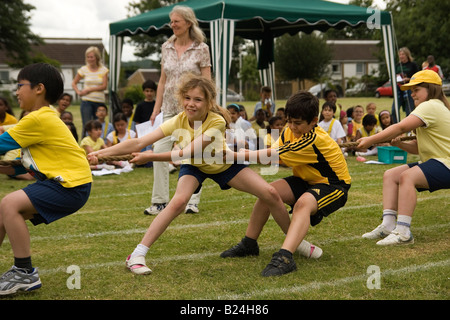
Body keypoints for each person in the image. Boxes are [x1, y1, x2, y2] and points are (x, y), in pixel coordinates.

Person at [87, 74, 289, 276]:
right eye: (187, 98)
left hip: (222, 164)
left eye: (198, 99)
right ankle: (137, 255)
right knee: (178, 202)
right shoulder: (178, 120)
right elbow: (139, 142)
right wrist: (101, 153)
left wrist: (152, 156)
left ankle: (295, 243)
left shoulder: (217, 121)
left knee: (270, 192)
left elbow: (188, 151)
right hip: (194, 167)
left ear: (209, 102)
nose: (191, 104)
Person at [221, 91, 351, 277]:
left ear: (314, 120)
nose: (291, 126)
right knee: (267, 193)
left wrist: (235, 155)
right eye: (289, 121)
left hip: (333, 185)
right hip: (306, 179)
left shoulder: (313, 139)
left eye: (297, 123)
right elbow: (273, 152)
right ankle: (249, 244)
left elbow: (270, 156)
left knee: (303, 204)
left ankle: (285, 257)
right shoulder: (289, 131)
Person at [0, 63, 92, 295]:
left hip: (69, 186)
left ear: (38, 88)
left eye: (20, 85)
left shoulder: (37, 119)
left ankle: (24, 272)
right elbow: (28, 164)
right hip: (69, 185)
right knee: (4, 212)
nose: (17, 91)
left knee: (9, 204)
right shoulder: (44, 117)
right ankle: (22, 272)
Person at [358, 69, 450, 245]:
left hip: (446, 164)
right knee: (390, 175)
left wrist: (371, 139)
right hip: (438, 162)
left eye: (416, 89)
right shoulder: (432, 107)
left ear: (431, 89)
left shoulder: (430, 106)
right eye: (411, 90)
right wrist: (400, 144)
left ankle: (403, 231)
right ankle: (388, 225)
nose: (412, 94)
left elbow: (400, 127)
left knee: (407, 176)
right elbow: (418, 148)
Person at [146, 5, 211, 215]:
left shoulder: (201, 48)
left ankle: (192, 201)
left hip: (194, 108)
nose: (172, 24)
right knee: (158, 150)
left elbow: (207, 81)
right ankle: (159, 201)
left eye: (176, 21)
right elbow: (162, 81)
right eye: (171, 21)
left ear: (188, 23)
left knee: (193, 154)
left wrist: (209, 107)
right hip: (170, 108)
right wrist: (156, 109)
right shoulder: (166, 47)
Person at [72, 46, 109, 138]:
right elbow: (74, 83)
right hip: (87, 101)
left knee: (98, 125)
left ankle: (99, 146)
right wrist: (78, 92)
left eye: (92, 57)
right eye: (88, 57)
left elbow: (104, 86)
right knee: (87, 124)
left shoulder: (103, 70)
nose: (90, 59)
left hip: (99, 102)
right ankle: (85, 145)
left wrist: (89, 89)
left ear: (97, 57)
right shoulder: (83, 69)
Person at [392, 47, 419, 123]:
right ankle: (396, 126)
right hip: (399, 89)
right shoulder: (397, 65)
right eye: (400, 54)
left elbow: (417, 76)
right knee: (394, 110)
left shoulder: (413, 64)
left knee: (409, 110)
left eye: (403, 54)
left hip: (409, 89)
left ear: (407, 55)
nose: (401, 56)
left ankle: (409, 128)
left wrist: (408, 79)